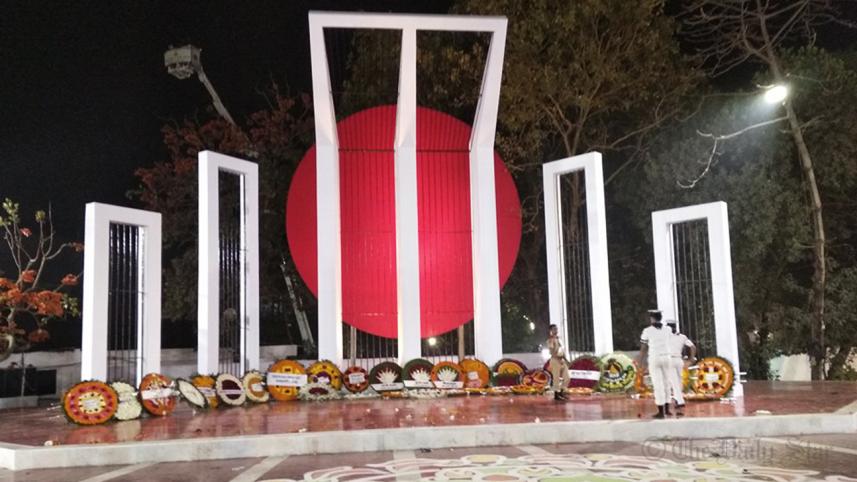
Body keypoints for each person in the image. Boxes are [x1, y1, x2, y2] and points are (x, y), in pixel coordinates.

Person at [639, 309, 672, 418]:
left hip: (655, 358)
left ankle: (661, 411)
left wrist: (640, 361)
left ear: (652, 318)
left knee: (658, 384)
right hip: (667, 357)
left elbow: (644, 347)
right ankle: (667, 409)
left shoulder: (647, 331)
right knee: (667, 383)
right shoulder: (668, 329)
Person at [666, 320, 696, 416]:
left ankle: (680, 401)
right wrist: (691, 359)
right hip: (679, 360)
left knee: (674, 381)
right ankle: (677, 398)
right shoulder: (682, 337)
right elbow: (693, 347)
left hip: (670, 360)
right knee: (678, 381)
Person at [546, 324, 569, 400]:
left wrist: (566, 360)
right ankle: (557, 394)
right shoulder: (550, 340)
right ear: (550, 331)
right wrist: (552, 341)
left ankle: (562, 392)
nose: (556, 330)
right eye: (554, 329)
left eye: (556, 329)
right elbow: (552, 352)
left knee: (567, 378)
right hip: (555, 360)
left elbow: (562, 350)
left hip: (562, 360)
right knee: (556, 378)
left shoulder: (560, 339)